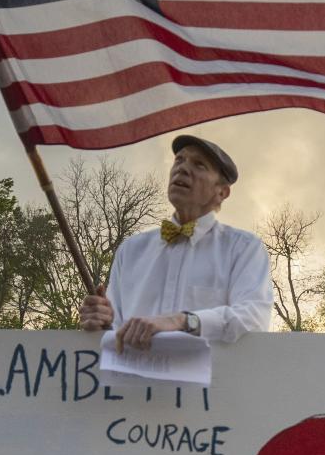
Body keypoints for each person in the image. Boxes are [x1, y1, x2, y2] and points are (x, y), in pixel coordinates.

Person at [79, 134, 273, 349]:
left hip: (214, 381)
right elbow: (115, 331)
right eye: (179, 160)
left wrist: (182, 320)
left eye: (199, 165)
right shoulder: (131, 250)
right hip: (135, 381)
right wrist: (102, 323)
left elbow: (253, 317)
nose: (182, 169)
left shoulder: (243, 248)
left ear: (222, 192)